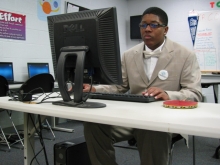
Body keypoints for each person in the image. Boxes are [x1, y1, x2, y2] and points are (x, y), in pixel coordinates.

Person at [83, 7, 203, 165]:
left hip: (166, 118)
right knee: (94, 125)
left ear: (165, 29)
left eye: (153, 25)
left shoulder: (185, 55)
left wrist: (168, 94)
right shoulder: (128, 55)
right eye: (143, 25)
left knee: (152, 129)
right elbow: (120, 87)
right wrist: (94, 89)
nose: (147, 29)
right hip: (133, 117)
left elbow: (194, 93)